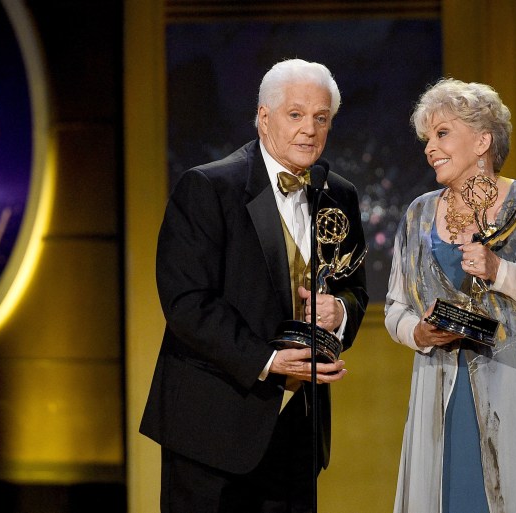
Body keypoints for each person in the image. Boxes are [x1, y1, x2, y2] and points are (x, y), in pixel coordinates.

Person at [140, 58, 368, 513]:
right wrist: (267, 360)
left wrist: (339, 314)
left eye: (321, 118)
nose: (310, 129)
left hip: (299, 429)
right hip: (213, 425)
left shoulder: (339, 194)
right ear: (264, 117)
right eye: (296, 114)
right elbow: (187, 302)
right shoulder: (207, 187)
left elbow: (353, 290)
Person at [385, 77, 516, 513]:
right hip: (442, 387)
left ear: (482, 140)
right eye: (426, 138)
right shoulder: (419, 213)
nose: (429, 148)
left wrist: (500, 271)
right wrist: (417, 333)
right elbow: (395, 308)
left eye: (441, 134)